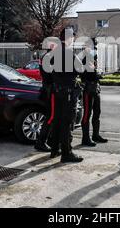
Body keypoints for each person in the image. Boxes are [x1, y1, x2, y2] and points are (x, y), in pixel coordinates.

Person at [47, 27, 85, 163]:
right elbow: (81, 69)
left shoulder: (54, 53)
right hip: (68, 93)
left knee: (57, 121)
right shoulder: (70, 54)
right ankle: (67, 152)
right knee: (68, 122)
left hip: (58, 92)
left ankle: (54, 149)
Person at [81, 38, 108, 146]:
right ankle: (85, 138)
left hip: (95, 88)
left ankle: (95, 135)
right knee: (87, 114)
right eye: (93, 47)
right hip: (88, 89)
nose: (95, 49)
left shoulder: (92, 58)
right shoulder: (83, 58)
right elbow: (86, 74)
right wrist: (98, 74)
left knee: (97, 113)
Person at [34, 41, 57, 153]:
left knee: (51, 116)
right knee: (51, 117)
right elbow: (52, 75)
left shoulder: (46, 56)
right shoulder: (49, 57)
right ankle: (41, 142)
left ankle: (47, 140)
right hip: (50, 90)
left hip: (48, 88)